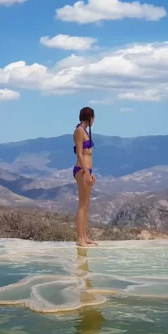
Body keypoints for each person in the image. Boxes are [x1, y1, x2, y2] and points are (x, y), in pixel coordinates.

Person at [73, 106, 98, 247]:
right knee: (82, 205)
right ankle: (79, 238)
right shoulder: (79, 131)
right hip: (81, 170)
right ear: (90, 118)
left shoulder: (85, 132)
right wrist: (86, 172)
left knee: (87, 204)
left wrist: (91, 172)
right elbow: (79, 154)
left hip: (87, 170)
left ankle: (84, 236)